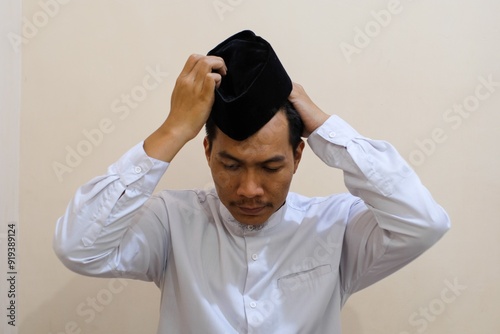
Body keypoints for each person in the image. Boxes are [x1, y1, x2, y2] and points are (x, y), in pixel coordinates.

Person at [53, 30, 450, 333]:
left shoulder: (336, 227)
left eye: (271, 167)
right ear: (207, 152)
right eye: (230, 165)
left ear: (298, 156)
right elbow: (78, 247)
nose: (249, 190)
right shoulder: (171, 222)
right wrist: (174, 129)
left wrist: (327, 129)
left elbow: (424, 223)